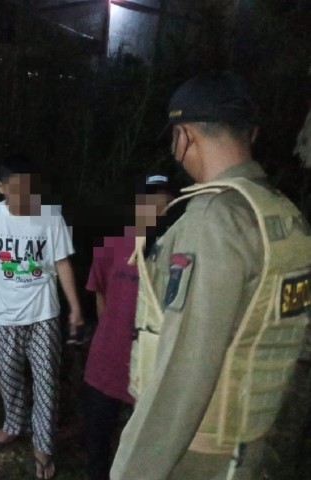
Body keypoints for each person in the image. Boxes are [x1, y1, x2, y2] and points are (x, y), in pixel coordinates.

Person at [111, 72, 311, 480]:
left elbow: (185, 365)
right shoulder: (281, 214)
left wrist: (132, 471)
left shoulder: (214, 221)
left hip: (195, 449)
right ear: (250, 134)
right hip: (244, 440)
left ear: (183, 136)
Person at [0, 154, 83, 480]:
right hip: (5, 315)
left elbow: (62, 263)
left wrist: (75, 307)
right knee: (9, 375)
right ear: (1, 187)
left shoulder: (50, 217)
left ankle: (43, 447)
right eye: (16, 189)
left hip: (43, 314)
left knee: (46, 379)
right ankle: (13, 425)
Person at [82, 174, 174, 480]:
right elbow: (100, 293)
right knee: (97, 443)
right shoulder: (112, 245)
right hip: (106, 364)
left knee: (142, 449)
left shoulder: (178, 254)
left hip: (151, 370)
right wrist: (113, 332)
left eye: (164, 203)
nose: (156, 210)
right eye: (149, 202)